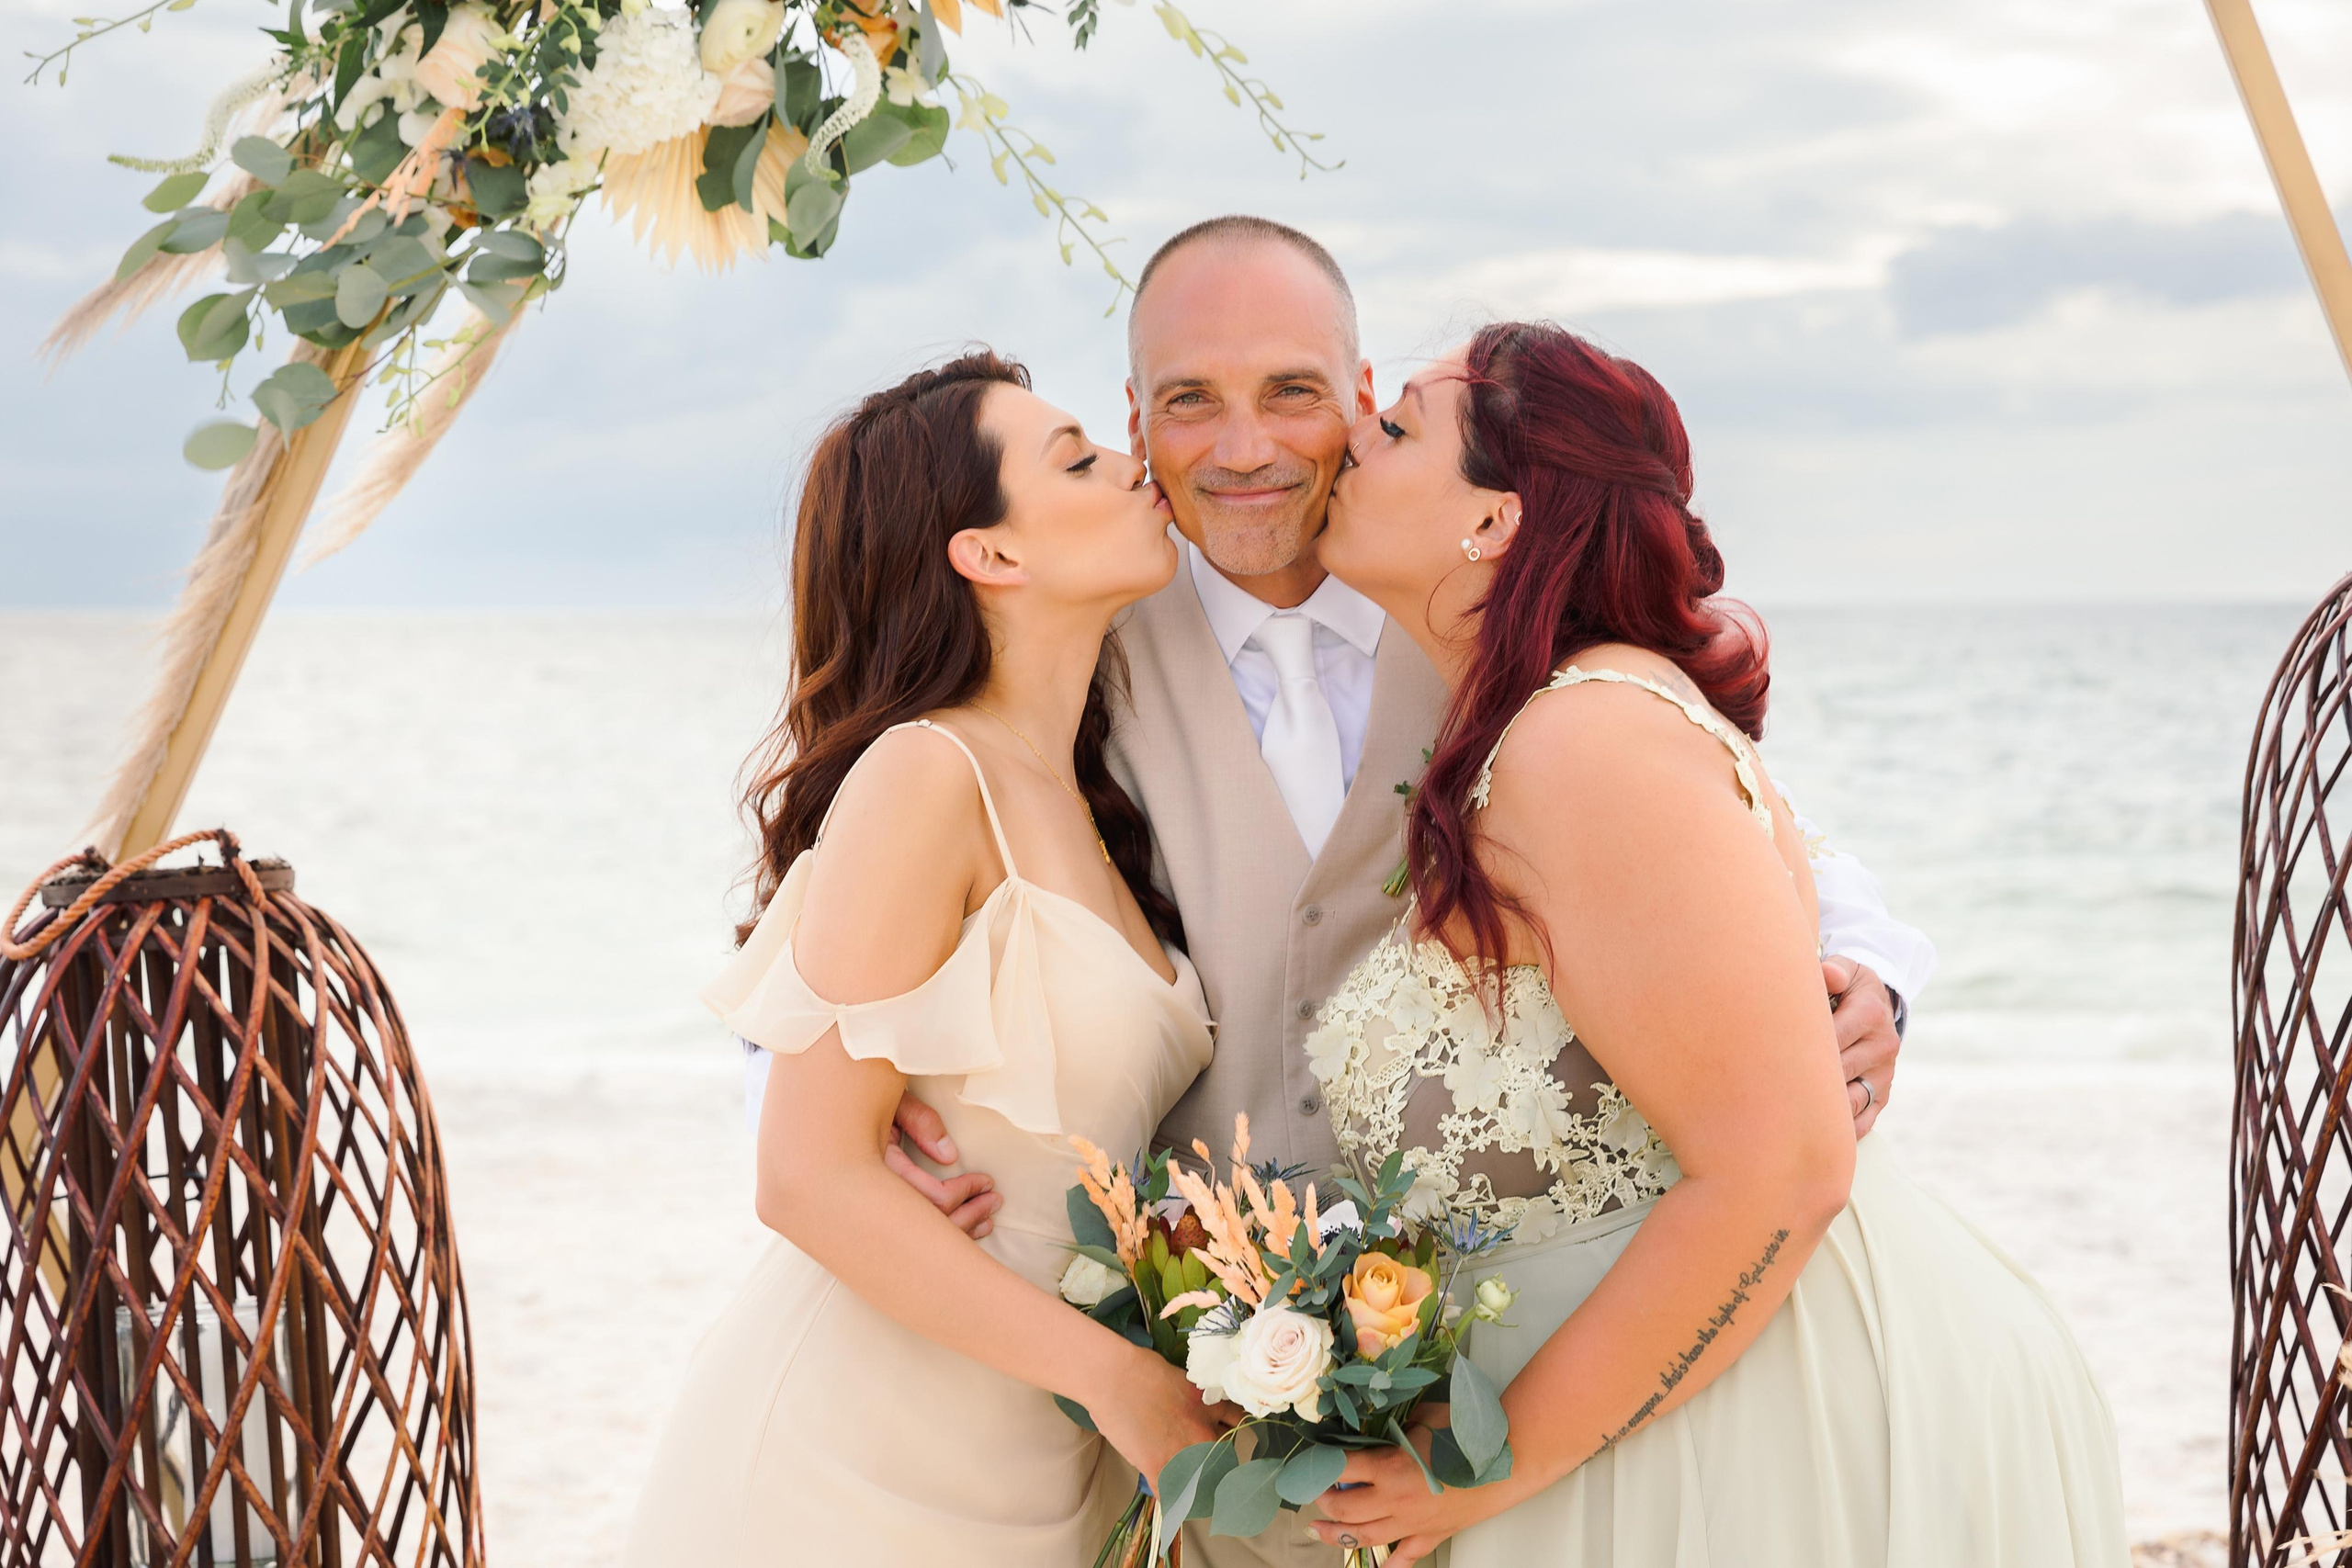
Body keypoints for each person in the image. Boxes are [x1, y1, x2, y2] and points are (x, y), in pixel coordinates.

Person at [834, 218, 1938, 1568]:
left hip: (1493, 1377)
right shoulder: (1076, 631)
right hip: (1204, 1401)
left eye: (1292, 392)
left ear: (1359, 406)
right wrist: (901, 1123)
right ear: (1138, 420)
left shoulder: (1497, 625)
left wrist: (1872, 974)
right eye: (1191, 401)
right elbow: (863, 893)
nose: (1244, 447)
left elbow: (1730, 828)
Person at [1298, 321, 2127, 1565]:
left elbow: (1784, 1168)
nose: (1355, 436)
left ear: (1495, 521)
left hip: (1771, 1428)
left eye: (1400, 425)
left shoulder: (1584, 739)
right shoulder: (1544, 727)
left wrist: (1494, 1467)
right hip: (1653, 1413)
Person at [625, 353, 1240, 1567]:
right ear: (990, 553)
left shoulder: (1090, 796)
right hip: (857, 1456)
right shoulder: (927, 771)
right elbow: (806, 1177)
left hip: (1036, 1449)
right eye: (1079, 460)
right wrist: (1117, 1380)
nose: (1135, 467)